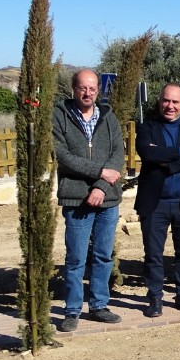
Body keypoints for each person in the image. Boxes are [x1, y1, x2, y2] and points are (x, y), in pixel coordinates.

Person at [52, 68, 125, 332]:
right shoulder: (60, 115)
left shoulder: (108, 117)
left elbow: (118, 154)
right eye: (83, 88)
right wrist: (98, 173)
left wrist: (101, 187)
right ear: (73, 89)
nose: (88, 93)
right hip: (75, 198)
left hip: (107, 199)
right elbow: (61, 154)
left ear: (98, 90)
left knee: (103, 255)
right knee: (75, 258)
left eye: (92, 88)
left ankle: (99, 305)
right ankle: (72, 310)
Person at [135, 84, 180, 317]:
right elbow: (147, 153)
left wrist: (166, 161)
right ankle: (155, 297)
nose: (170, 106)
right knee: (153, 254)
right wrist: (179, 151)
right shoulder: (147, 127)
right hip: (154, 203)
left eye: (176, 102)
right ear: (160, 102)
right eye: (166, 101)